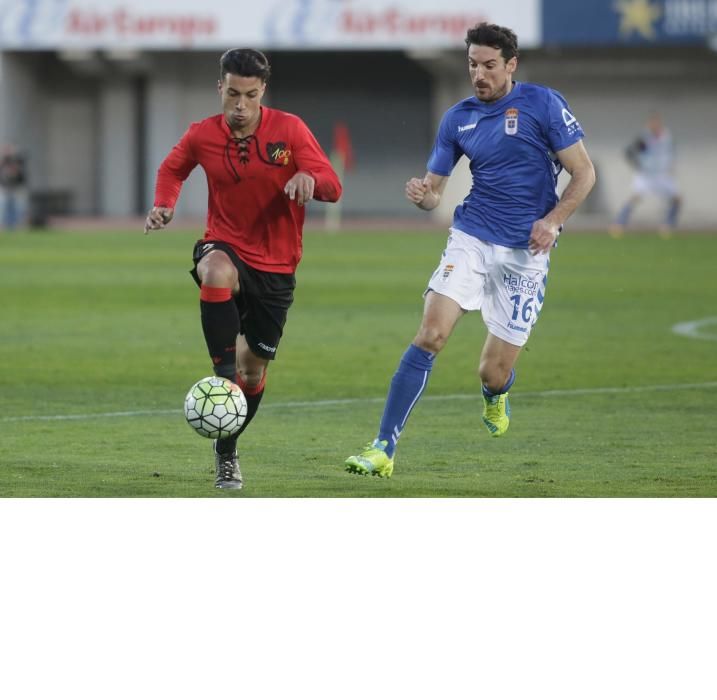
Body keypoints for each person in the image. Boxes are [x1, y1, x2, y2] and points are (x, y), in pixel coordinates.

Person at [345, 22, 595, 478]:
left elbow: (584, 173)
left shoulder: (543, 104)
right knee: (431, 334)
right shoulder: (457, 117)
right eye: (472, 65)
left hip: (525, 252)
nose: (478, 74)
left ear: (511, 64)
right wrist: (424, 196)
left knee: (491, 373)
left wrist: (553, 221)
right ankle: (383, 447)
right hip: (472, 236)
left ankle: (497, 395)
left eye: (489, 65)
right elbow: (435, 193)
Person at [145, 48, 342, 490]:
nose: (239, 105)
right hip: (225, 243)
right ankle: (222, 376)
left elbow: (332, 183)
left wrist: (310, 180)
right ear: (220, 88)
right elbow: (172, 169)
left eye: (249, 96)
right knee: (215, 271)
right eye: (232, 94)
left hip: (276, 265)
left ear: (262, 92)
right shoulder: (202, 134)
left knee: (254, 373)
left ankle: (227, 450)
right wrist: (164, 204)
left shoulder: (289, 130)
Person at [609, 112, 681, 238]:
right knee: (635, 197)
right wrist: (638, 165)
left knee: (677, 199)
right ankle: (619, 224)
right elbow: (629, 151)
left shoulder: (666, 137)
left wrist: (670, 166)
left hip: (662, 174)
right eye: (651, 124)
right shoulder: (644, 139)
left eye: (656, 124)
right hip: (646, 174)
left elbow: (670, 152)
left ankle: (668, 225)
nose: (654, 126)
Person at [0, 144, 27, 230]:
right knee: (3, 207)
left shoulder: (18, 159)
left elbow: (18, 173)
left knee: (19, 208)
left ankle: (20, 226)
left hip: (18, 188)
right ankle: (2, 226)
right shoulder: (3, 161)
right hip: (5, 188)